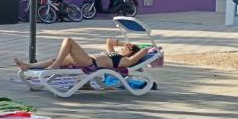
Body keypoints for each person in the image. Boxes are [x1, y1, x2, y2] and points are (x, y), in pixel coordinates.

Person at [15, 37, 150, 72]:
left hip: (90, 63)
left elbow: (141, 54)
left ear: (130, 52)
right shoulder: (114, 54)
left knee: (69, 41)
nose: (122, 49)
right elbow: (109, 41)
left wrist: (150, 48)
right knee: (53, 59)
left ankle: (56, 65)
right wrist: (124, 43)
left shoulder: (124, 61)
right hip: (87, 59)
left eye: (125, 48)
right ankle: (28, 66)